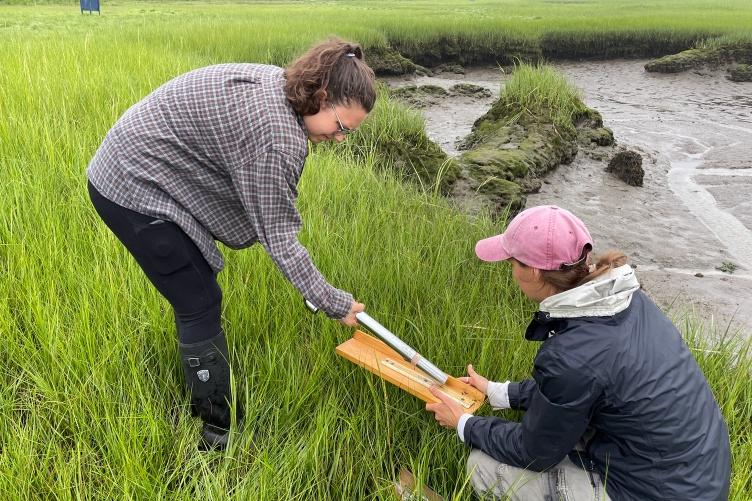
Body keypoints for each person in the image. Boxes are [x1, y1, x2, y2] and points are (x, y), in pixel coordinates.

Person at [86, 39, 375, 450]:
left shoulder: (283, 85)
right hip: (130, 186)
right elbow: (279, 239)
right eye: (342, 128)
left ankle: (211, 413)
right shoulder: (277, 139)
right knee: (198, 301)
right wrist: (333, 301)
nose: (342, 139)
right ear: (322, 97)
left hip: (136, 163)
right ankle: (217, 433)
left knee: (197, 289)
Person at [425, 205, 731, 500]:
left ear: (533, 272)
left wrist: (464, 423)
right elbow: (580, 389)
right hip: (697, 477)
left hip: (653, 492)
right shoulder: (627, 299)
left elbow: (535, 452)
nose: (511, 272)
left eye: (512, 263)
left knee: (481, 466)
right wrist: (499, 393)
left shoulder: (571, 354)